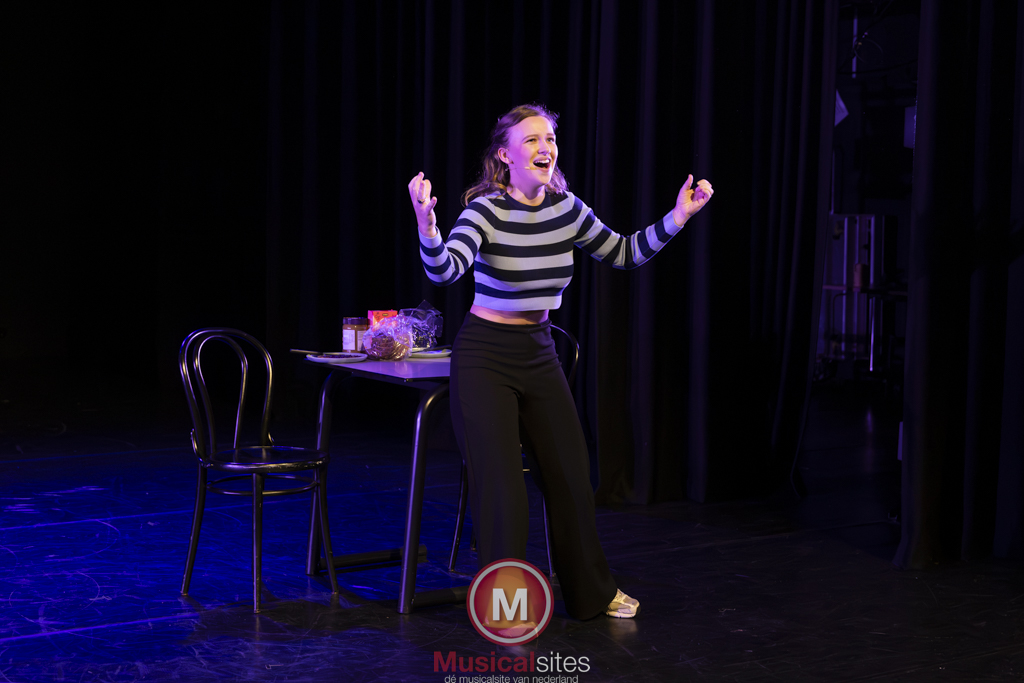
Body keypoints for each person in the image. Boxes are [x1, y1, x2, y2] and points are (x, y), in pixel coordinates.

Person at [408, 103, 712, 622]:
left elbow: (624, 253)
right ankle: (505, 606)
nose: (544, 147)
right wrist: (427, 226)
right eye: (530, 139)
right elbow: (445, 272)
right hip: (485, 355)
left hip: (539, 350)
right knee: (504, 491)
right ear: (505, 155)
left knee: (571, 478)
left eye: (549, 138)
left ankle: (592, 593)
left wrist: (679, 216)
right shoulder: (485, 211)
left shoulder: (567, 209)